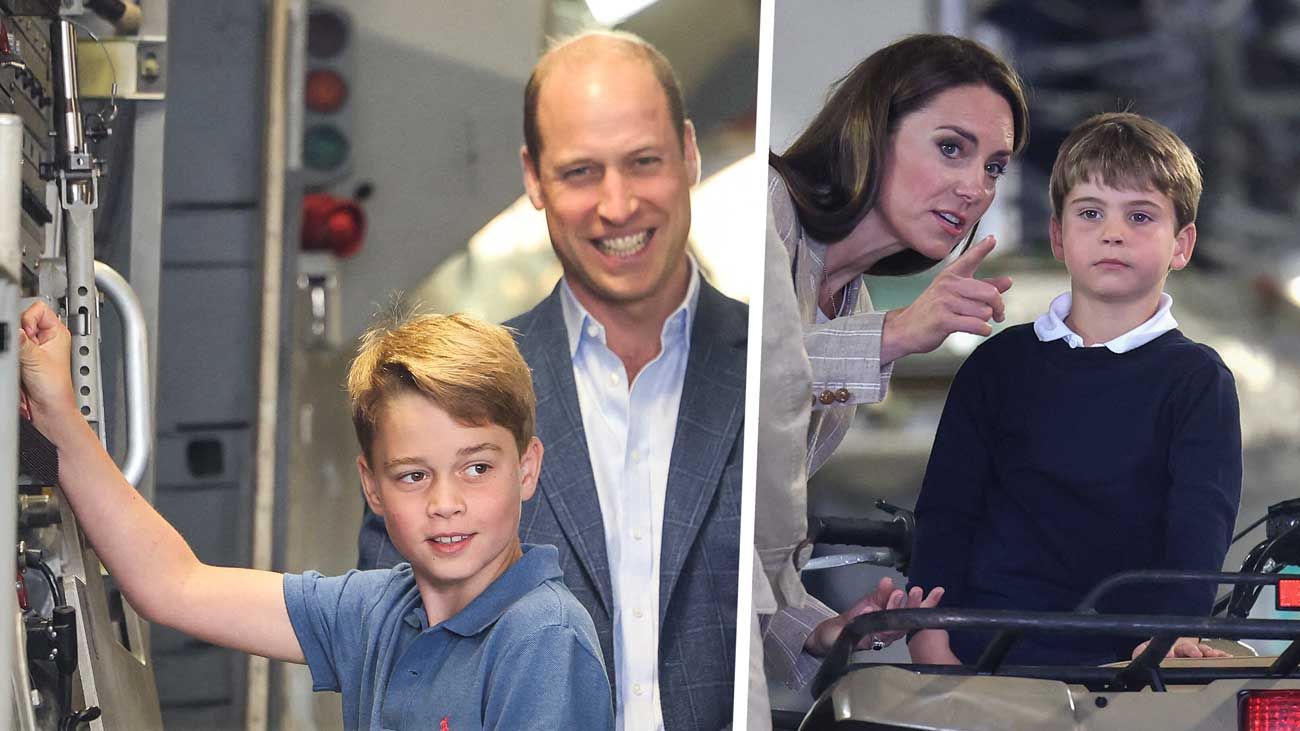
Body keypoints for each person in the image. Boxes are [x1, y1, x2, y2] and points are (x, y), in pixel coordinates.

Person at [358, 31, 744, 730]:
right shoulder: (450, 398)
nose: (618, 204)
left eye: (644, 162)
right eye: (581, 172)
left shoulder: (774, 366)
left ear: (689, 153)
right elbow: (406, 666)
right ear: (533, 178)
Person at [18, 301, 614, 730]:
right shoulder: (377, 612)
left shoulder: (542, 641)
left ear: (527, 468)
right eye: (413, 475)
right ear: (372, 488)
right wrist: (57, 415)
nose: (445, 502)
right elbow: (174, 585)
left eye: (477, 468)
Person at [907, 112, 1242, 666]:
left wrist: (1170, 635)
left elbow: (1199, 528)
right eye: (1090, 213)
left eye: (1140, 215)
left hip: (1129, 662)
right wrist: (929, 633)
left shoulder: (1198, 381)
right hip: (984, 652)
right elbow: (946, 511)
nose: (1113, 232)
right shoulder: (999, 363)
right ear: (1058, 236)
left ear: (1181, 245)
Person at [757, 33, 1031, 699]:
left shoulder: (855, 299)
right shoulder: (761, 208)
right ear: (871, 132)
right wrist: (897, 334)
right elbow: (739, 389)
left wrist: (823, 630)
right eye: (950, 147)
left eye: (994, 166)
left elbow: (758, 543)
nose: (975, 187)